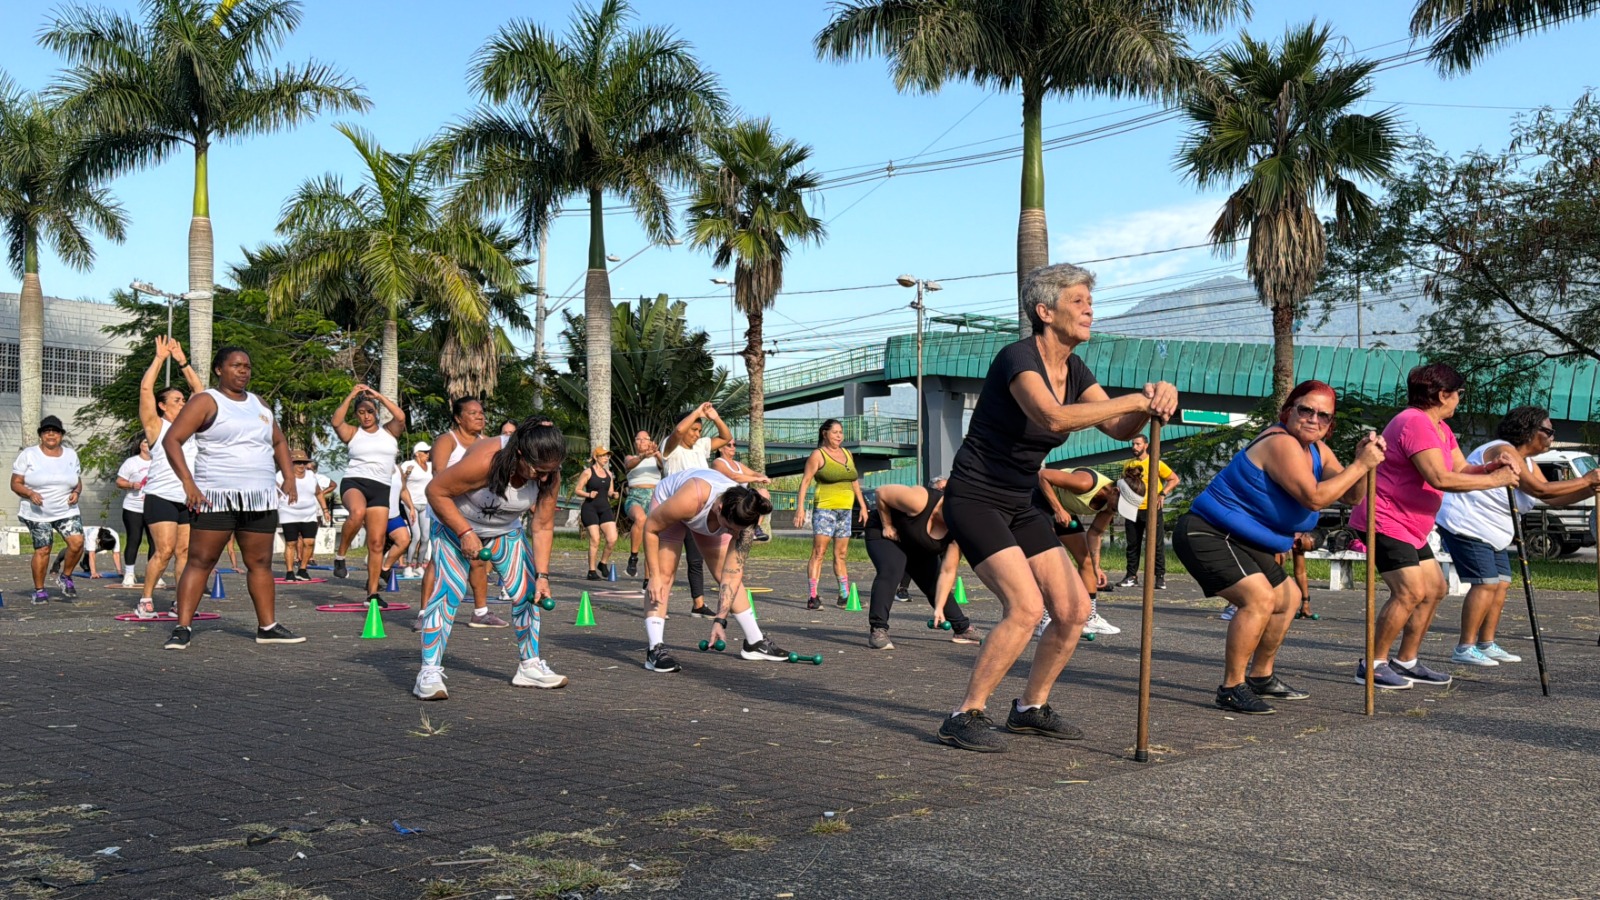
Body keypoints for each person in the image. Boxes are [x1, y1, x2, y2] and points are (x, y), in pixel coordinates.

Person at [935, 263, 1176, 753]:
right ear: (1045, 312)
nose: (1090, 310)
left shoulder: (1076, 369)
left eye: (1090, 301)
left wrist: (1152, 401)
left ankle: (1028, 709)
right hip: (975, 497)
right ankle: (964, 714)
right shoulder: (1017, 358)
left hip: (1020, 501)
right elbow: (1052, 415)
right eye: (1078, 302)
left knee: (1074, 609)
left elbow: (1118, 429)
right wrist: (1131, 397)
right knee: (1025, 608)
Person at [1172, 381, 1385, 714]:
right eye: (1306, 410)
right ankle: (1231, 687)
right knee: (1258, 598)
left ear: (1330, 425)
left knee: (1290, 597)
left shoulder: (1318, 450)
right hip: (1208, 532)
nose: (1314, 419)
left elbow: (1350, 496)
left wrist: (1362, 461)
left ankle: (1260, 676)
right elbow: (1314, 496)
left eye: (1324, 416)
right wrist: (1360, 466)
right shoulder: (1280, 443)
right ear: (1289, 411)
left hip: (1245, 539)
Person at [1351, 363, 1520, 689]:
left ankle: (1407, 661)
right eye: (1458, 394)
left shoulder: (1440, 427)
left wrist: (1490, 467)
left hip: (1411, 524)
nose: (1459, 399)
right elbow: (1439, 478)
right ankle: (1372, 664)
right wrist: (1496, 480)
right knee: (1410, 591)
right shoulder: (1413, 422)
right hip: (1385, 518)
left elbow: (1460, 467)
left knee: (1435, 589)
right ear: (1443, 394)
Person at [161, 346, 305, 650]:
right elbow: (172, 440)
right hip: (216, 495)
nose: (243, 371)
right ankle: (183, 627)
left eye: (247, 366)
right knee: (201, 560)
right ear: (219, 370)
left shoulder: (259, 403)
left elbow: (279, 441)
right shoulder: (206, 401)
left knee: (261, 562)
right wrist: (188, 483)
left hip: (260, 497)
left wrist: (289, 477)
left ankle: (267, 626)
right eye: (236, 365)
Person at [414, 418, 568, 700]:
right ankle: (429, 671)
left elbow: (543, 525)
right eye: (538, 471)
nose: (544, 478)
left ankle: (530, 665)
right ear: (520, 454)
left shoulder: (549, 472)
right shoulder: (486, 461)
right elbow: (435, 491)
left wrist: (543, 575)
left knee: (528, 593)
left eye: (551, 471)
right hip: (455, 523)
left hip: (504, 530)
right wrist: (464, 532)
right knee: (449, 592)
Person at [1436, 406, 1600, 667]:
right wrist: (1586, 479)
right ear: (1528, 430)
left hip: (1493, 531)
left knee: (1500, 584)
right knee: (1486, 583)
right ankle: (1464, 647)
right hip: (1468, 524)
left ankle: (1486, 643)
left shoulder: (1527, 462)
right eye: (1548, 431)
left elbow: (1552, 498)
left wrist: (1589, 489)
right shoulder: (1503, 449)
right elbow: (1542, 489)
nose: (1552, 437)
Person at [642, 467, 786, 673]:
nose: (730, 534)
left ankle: (755, 642)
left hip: (706, 514)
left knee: (723, 573)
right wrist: (653, 576)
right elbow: (650, 528)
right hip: (673, 500)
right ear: (719, 507)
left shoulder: (744, 518)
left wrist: (720, 620)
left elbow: (732, 575)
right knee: (664, 575)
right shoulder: (691, 498)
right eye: (729, 528)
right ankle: (654, 650)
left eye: (736, 531)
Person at [413, 397, 506, 630]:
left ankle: (480, 612)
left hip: (476, 514)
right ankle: (425, 613)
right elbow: (439, 474)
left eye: (482, 412)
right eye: (473, 413)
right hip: (447, 511)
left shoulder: (487, 442)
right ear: (458, 418)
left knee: (478, 559)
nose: (480, 416)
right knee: (438, 561)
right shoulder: (447, 440)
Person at [133, 336, 207, 616]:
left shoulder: (193, 428)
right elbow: (145, 389)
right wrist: (160, 358)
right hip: (160, 496)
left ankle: (180, 603)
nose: (182, 402)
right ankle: (145, 599)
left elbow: (201, 393)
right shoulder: (156, 426)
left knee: (185, 553)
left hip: (188, 499)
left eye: (183, 399)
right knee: (163, 551)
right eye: (176, 400)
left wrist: (183, 361)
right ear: (163, 406)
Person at [864, 483, 983, 649]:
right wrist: (887, 524)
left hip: (918, 545)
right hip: (887, 535)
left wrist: (939, 608)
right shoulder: (920, 500)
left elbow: (947, 572)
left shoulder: (958, 531)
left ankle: (962, 628)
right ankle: (878, 629)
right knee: (892, 570)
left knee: (934, 582)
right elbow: (881, 492)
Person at [330, 384, 406, 606]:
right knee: (357, 512)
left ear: (376, 412)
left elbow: (400, 416)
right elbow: (336, 421)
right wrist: (352, 394)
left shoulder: (389, 431)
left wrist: (378, 397)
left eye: (370, 411)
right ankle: (340, 556)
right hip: (355, 482)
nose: (366, 416)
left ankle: (372, 594)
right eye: (361, 412)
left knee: (376, 543)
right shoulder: (353, 433)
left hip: (380, 488)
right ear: (356, 415)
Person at [1034, 466, 1121, 637]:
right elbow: (1042, 476)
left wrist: (1096, 567)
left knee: (1087, 560)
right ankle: (1043, 620)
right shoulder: (1085, 482)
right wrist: (1058, 509)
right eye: (1120, 505)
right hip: (1038, 499)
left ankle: (1090, 617)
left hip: (1063, 508)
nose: (1118, 511)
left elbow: (1095, 533)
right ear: (1115, 491)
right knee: (1050, 559)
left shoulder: (1111, 505)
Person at [663, 403, 732, 618]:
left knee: (696, 559)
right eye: (694, 430)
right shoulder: (670, 446)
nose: (696, 434)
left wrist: (715, 417)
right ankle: (660, 606)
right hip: (673, 507)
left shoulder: (701, 446)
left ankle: (698, 604)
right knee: (668, 563)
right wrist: (696, 413)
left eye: (700, 431)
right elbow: (678, 432)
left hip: (698, 511)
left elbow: (726, 436)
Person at [793, 419, 868, 609]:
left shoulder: (847, 453)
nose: (839, 436)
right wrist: (800, 508)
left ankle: (844, 595)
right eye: (835, 432)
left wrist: (863, 506)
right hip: (825, 509)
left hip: (845, 510)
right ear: (824, 433)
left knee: (841, 554)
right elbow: (805, 482)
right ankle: (813, 596)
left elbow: (854, 482)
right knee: (819, 552)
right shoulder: (818, 455)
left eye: (841, 432)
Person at [11, 416, 86, 603]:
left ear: (61, 435)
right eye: (46, 431)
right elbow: (15, 483)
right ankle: (40, 590)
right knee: (44, 549)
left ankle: (65, 576)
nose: (51, 434)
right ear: (41, 436)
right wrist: (29, 493)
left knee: (77, 543)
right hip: (37, 512)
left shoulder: (70, 455)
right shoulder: (29, 454)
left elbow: (76, 481)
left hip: (66, 510)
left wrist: (76, 492)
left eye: (55, 431)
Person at [1117, 434, 1178, 590]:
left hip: (1151, 509)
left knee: (1156, 544)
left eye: (1138, 444)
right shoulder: (1128, 464)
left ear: (1146, 445)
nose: (1134, 447)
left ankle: (1160, 577)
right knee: (1132, 544)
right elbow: (1124, 483)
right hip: (1132, 508)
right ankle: (1131, 576)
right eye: (1133, 444)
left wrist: (1162, 493)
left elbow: (1174, 479)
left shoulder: (1156, 463)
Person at [622, 431, 665, 579]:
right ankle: (633, 558)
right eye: (638, 439)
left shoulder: (656, 459)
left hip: (654, 497)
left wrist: (657, 454)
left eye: (645, 439)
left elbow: (665, 466)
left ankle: (648, 580)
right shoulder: (631, 457)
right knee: (640, 519)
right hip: (636, 496)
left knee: (651, 538)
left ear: (650, 441)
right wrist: (643, 456)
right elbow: (629, 465)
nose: (641, 442)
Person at [713, 440, 773, 542]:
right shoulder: (718, 462)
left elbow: (753, 473)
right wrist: (756, 479)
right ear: (720, 448)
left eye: (734, 445)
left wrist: (762, 476)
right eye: (729, 445)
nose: (733, 447)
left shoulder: (737, 464)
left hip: (741, 501)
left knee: (763, 493)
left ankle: (755, 528)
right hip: (727, 501)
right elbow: (734, 476)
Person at [576, 447, 620, 580]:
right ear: (596, 457)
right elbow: (577, 490)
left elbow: (609, 491)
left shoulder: (609, 474)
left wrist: (614, 494)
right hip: (590, 508)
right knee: (595, 539)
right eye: (603, 456)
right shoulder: (588, 472)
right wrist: (588, 494)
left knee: (612, 538)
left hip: (604, 508)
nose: (606, 458)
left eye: (608, 456)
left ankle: (603, 563)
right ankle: (591, 571)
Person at [277, 452, 322, 581]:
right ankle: (290, 571)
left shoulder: (311, 475)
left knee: (309, 542)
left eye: (304, 462)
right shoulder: (281, 475)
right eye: (298, 462)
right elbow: (276, 492)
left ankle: (303, 570)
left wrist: (325, 510)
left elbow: (318, 493)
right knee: (291, 542)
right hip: (289, 513)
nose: (301, 465)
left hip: (308, 514)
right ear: (291, 463)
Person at [115, 434, 152, 587]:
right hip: (133, 507)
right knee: (134, 539)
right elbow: (119, 481)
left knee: (156, 542)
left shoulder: (160, 461)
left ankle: (154, 574)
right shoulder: (132, 462)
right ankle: (129, 573)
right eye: (145, 441)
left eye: (151, 441)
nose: (149, 444)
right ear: (140, 445)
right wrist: (131, 485)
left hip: (154, 507)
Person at [399, 442, 433, 577]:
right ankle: (408, 566)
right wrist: (406, 474)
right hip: (410, 504)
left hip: (426, 504)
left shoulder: (430, 466)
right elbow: (400, 483)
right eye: (425, 452)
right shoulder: (407, 465)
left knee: (426, 537)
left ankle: (419, 565)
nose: (427, 454)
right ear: (417, 453)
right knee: (416, 535)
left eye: (428, 452)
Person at [52, 524, 120, 580]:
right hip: (82, 534)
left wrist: (119, 572)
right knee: (73, 549)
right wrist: (93, 573)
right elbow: (92, 555)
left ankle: (85, 563)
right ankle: (57, 562)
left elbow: (116, 554)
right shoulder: (92, 536)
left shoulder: (115, 536)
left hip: (99, 539)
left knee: (94, 548)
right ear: (99, 540)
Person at [305, 460, 335, 567]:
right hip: (302, 509)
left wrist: (322, 492)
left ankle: (310, 557)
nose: (306, 471)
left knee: (312, 534)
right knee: (299, 535)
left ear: (314, 469)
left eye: (309, 469)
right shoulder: (300, 477)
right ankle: (298, 557)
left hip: (316, 509)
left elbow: (333, 485)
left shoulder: (320, 478)